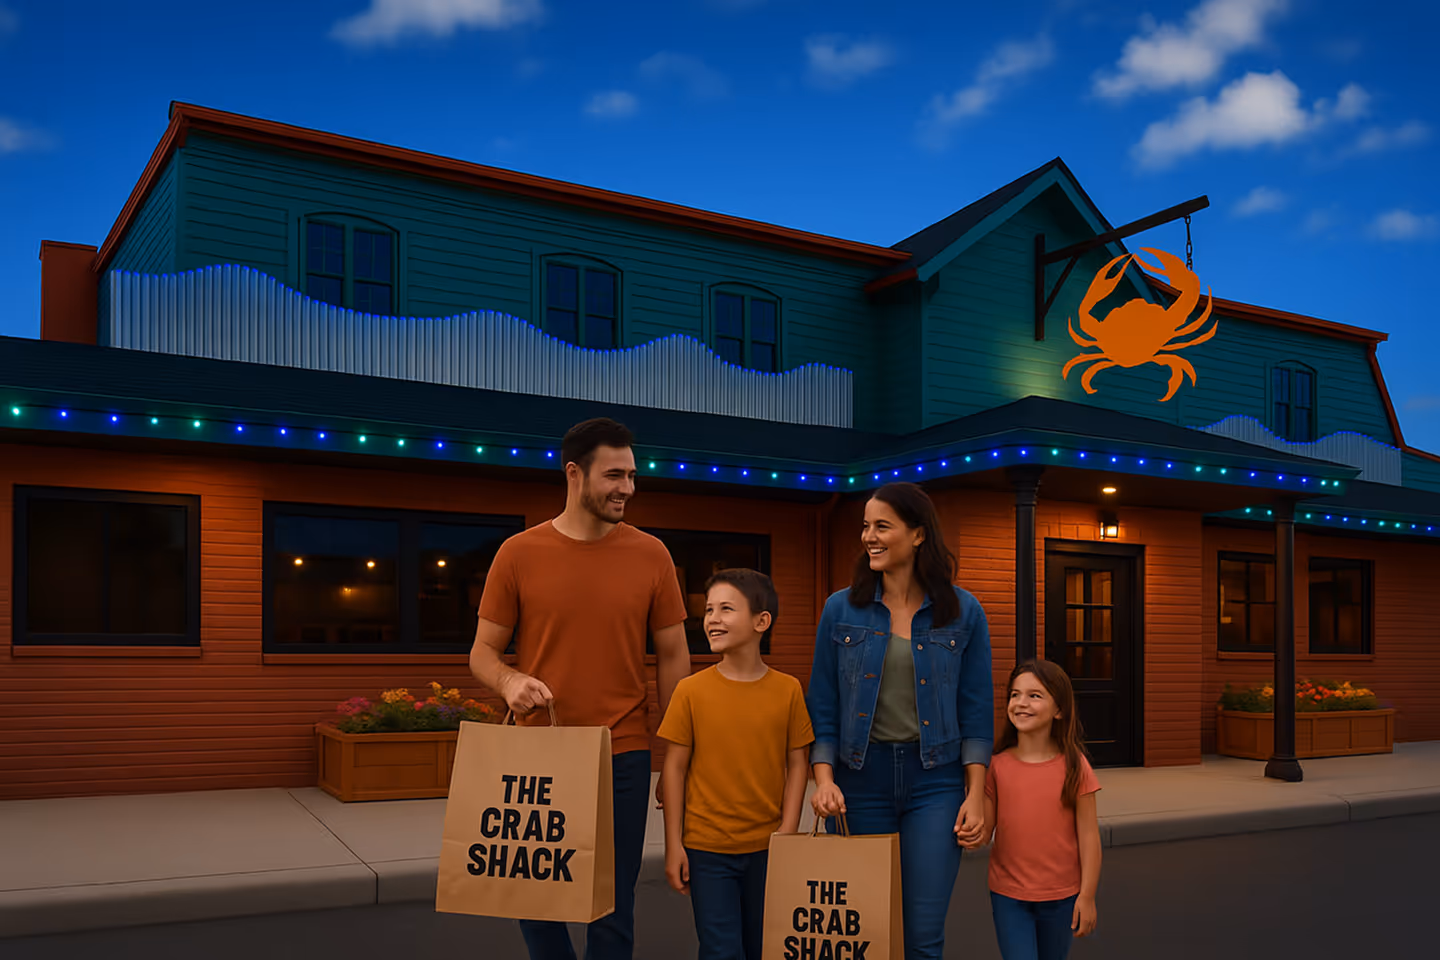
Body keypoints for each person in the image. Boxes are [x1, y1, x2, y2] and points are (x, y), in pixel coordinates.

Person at [469, 417, 691, 960]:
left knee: (613, 904)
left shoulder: (652, 554)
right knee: (532, 893)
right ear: (574, 473)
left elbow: (673, 657)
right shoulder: (518, 553)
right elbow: (482, 653)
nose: (628, 489)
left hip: (624, 750)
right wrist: (510, 679)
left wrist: (677, 759)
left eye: (634, 476)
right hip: (538, 752)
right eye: (615, 476)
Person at [807, 481, 993, 960]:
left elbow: (975, 709)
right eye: (865, 526)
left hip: (936, 784)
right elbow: (823, 703)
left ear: (917, 535)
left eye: (882, 526)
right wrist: (823, 779)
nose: (869, 535)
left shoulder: (963, 611)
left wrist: (976, 795)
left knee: (922, 937)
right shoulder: (839, 608)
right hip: (858, 783)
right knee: (864, 933)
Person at [658, 568, 813, 960]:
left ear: (762, 621)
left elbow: (798, 763)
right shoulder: (690, 691)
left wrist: (788, 832)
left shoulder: (788, 689)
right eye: (709, 610)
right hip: (706, 850)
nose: (713, 618)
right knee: (721, 950)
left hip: (768, 850)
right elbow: (673, 769)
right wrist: (674, 844)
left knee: (766, 947)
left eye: (727, 609)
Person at [969, 659, 1102, 960]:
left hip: (1063, 897)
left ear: (1059, 710)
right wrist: (969, 831)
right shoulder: (997, 766)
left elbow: (1089, 837)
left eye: (1034, 695)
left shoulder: (1075, 765)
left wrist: (1088, 896)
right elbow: (984, 831)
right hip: (1009, 897)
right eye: (1015, 694)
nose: (1021, 703)